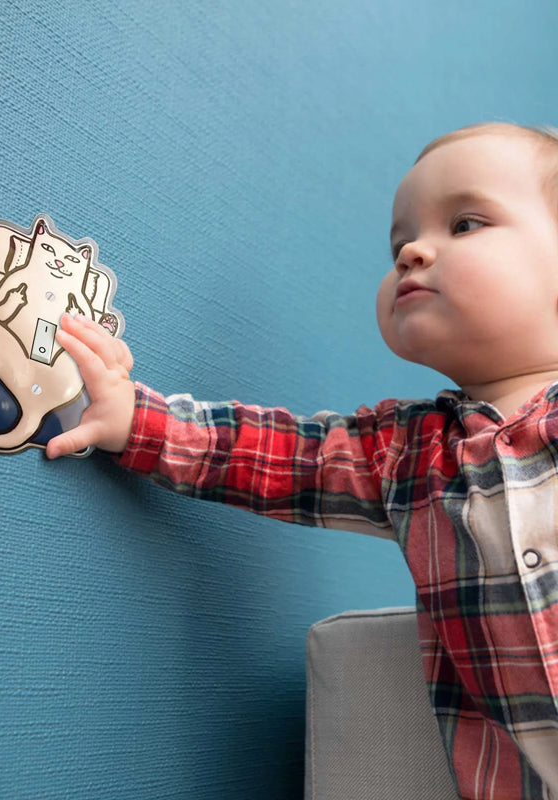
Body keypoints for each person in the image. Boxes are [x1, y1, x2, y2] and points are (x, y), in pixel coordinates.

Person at [46, 122, 558, 800]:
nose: (413, 252)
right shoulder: (404, 453)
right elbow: (274, 456)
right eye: (399, 242)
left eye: (464, 223)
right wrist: (136, 418)